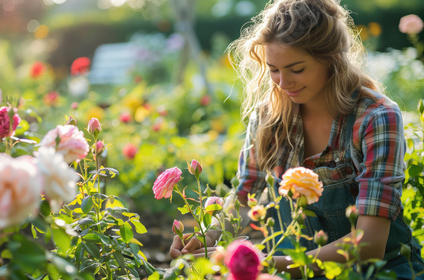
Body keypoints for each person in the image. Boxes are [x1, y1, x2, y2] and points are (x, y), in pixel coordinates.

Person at [169, 0, 424, 278]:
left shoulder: (376, 117)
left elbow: (370, 244)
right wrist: (208, 238)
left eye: (296, 69)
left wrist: (266, 263)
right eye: (274, 69)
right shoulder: (269, 116)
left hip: (378, 271)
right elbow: (244, 198)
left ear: (332, 59)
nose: (281, 83)